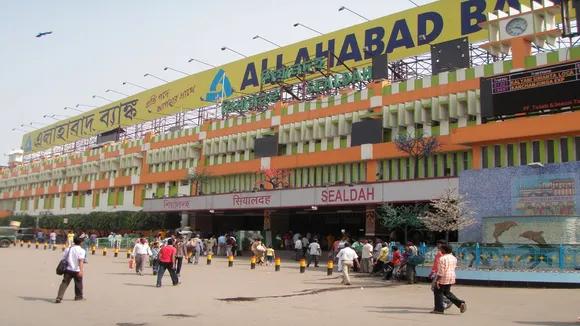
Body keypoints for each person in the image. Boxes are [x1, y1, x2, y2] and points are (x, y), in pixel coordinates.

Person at [432, 244, 467, 314]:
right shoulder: (453, 258)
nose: (440, 250)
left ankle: (438, 309)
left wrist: (437, 280)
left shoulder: (442, 258)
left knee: (438, 292)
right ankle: (460, 304)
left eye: (441, 249)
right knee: (446, 292)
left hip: (443, 277)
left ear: (444, 250)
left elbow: (441, 271)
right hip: (451, 277)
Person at [55, 237, 86, 303]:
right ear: (80, 243)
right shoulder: (82, 251)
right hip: (76, 269)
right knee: (78, 283)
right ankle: (78, 296)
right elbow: (81, 261)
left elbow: (63, 258)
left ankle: (59, 296)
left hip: (68, 269)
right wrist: (81, 270)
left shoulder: (68, 249)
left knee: (64, 283)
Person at [429, 240, 452, 310]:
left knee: (435, 288)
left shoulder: (441, 254)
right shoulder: (449, 255)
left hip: (440, 274)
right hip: (447, 274)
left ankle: (446, 301)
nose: (438, 245)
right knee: (442, 290)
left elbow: (437, 264)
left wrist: (433, 272)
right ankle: (444, 302)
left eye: (439, 244)